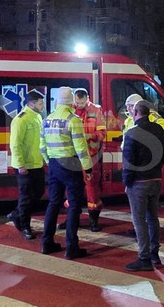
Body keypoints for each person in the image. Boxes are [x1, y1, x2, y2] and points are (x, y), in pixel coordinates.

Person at [40, 87, 93, 259]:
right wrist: (88, 168)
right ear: (71, 101)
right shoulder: (73, 119)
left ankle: (47, 243)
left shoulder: (47, 119)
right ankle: (72, 247)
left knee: (53, 203)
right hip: (71, 165)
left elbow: (42, 146)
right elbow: (81, 148)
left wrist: (51, 162)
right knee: (74, 205)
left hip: (54, 164)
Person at [122, 99, 164, 271]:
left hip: (138, 183)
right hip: (156, 180)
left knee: (139, 221)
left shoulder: (132, 133)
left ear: (135, 113)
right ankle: (154, 253)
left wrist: (127, 183)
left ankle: (144, 258)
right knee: (152, 218)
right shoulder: (158, 130)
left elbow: (128, 163)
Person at [58, 88, 107, 232]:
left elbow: (102, 133)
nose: (78, 105)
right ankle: (72, 219)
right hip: (73, 156)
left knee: (92, 189)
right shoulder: (68, 110)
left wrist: (88, 136)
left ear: (87, 99)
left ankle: (93, 220)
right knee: (71, 188)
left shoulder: (96, 111)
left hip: (91, 156)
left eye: (81, 102)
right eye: (76, 102)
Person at [7, 90, 46, 240]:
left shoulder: (37, 117)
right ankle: (24, 226)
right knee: (26, 197)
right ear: (31, 104)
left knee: (39, 192)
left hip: (37, 164)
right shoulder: (20, 119)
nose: (42, 106)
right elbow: (15, 145)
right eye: (40, 103)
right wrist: (21, 165)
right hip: (25, 166)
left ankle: (16, 214)